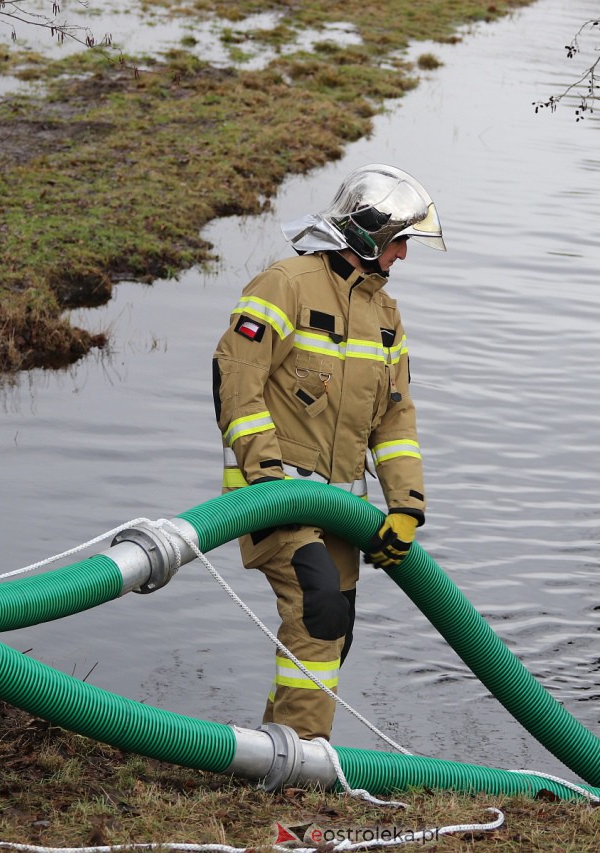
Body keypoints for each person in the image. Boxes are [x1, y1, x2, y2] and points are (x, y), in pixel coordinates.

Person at [212, 163, 446, 741]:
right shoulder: (285, 284)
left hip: (340, 514)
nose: (403, 257)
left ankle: (271, 753)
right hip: (273, 500)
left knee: (333, 633)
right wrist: (266, 480)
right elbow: (235, 378)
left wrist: (406, 507)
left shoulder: (386, 316)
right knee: (318, 611)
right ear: (367, 235)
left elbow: (395, 421)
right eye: (399, 243)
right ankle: (303, 767)